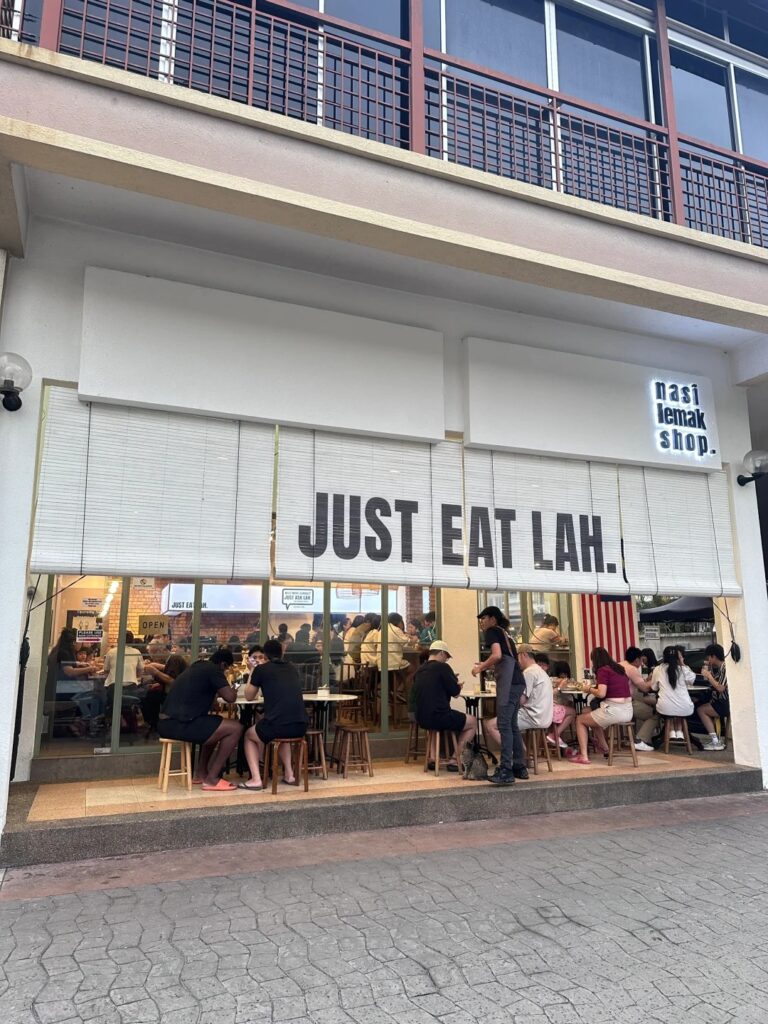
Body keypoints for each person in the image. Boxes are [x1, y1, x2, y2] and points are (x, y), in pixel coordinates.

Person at [157, 649, 242, 791]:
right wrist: (233, 690)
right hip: (179, 724)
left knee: (216, 725)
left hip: (167, 723)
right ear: (223, 664)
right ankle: (212, 779)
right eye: (226, 668)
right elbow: (230, 698)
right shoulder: (214, 670)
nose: (225, 671)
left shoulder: (197, 667)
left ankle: (201, 774)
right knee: (236, 728)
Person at [240, 639, 309, 790]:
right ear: (282, 652)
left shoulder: (262, 670)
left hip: (277, 726)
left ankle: (256, 779)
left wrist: (252, 671)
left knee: (248, 735)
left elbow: (249, 696)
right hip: (301, 726)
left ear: (265, 655)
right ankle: (289, 775)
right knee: (283, 734)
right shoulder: (292, 668)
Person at [472, 606, 526, 784]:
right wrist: (487, 664)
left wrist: (480, 667)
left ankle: (506, 770)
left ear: (493, 619)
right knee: (512, 725)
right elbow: (507, 659)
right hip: (518, 682)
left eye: (484, 618)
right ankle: (519, 767)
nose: (482, 622)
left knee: (504, 725)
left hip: (509, 684)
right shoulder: (506, 633)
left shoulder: (492, 631)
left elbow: (496, 655)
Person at [413, 640, 475, 770]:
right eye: (446, 656)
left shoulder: (420, 670)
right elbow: (455, 693)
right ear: (441, 653)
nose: (446, 660)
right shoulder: (443, 667)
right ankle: (455, 760)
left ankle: (433, 758)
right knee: (472, 722)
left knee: (433, 726)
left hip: (421, 717)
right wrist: (458, 685)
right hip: (439, 716)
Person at [567, 647, 632, 765]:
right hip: (628, 710)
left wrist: (589, 689)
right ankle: (604, 747)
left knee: (580, 719)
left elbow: (601, 693)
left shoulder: (603, 670)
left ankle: (583, 756)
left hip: (614, 711)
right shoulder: (619, 669)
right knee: (589, 713)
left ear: (595, 660)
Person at [653, 645, 695, 741]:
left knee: (669, 706)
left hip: (665, 708)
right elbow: (691, 680)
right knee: (679, 706)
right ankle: (679, 732)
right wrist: (682, 663)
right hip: (685, 708)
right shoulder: (683, 669)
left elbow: (654, 687)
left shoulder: (658, 669)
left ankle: (671, 731)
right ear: (678, 657)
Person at [142, 653, 189, 737]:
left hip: (178, 696)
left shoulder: (175, 660)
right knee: (150, 695)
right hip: (173, 693)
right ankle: (154, 723)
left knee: (149, 697)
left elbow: (172, 681)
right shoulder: (176, 662)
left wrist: (156, 672)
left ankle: (154, 723)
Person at [621, 646, 658, 752]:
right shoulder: (632, 669)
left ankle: (635, 739)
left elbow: (640, 684)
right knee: (656, 713)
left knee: (642, 704)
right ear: (637, 659)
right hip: (625, 704)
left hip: (613, 703)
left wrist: (647, 680)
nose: (642, 663)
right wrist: (655, 679)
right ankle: (640, 740)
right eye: (641, 660)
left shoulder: (620, 665)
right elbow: (645, 688)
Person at [514, 646, 554, 734]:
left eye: (517, 657)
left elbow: (521, 701)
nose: (517, 661)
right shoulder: (541, 671)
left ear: (523, 655)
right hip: (544, 718)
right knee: (509, 723)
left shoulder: (529, 672)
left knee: (492, 725)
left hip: (532, 717)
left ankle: (518, 744)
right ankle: (517, 743)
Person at [696, 643, 728, 751]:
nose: (708, 660)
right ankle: (716, 739)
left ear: (713, 656)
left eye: (708, 657)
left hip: (725, 702)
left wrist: (709, 676)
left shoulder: (725, 667)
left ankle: (715, 741)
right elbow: (716, 683)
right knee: (701, 704)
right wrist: (709, 675)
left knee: (701, 710)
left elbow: (720, 688)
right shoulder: (721, 668)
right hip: (721, 701)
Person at [548, 661, 577, 749]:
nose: (564, 675)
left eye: (565, 673)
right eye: (562, 673)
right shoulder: (553, 680)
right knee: (572, 712)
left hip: (553, 709)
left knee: (569, 709)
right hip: (551, 710)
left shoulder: (550, 679)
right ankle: (555, 735)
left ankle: (558, 740)